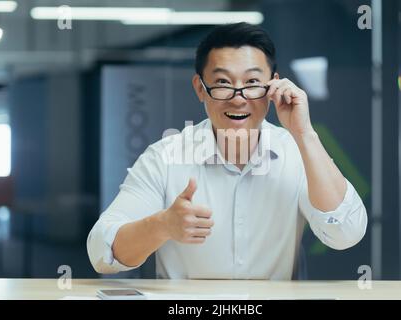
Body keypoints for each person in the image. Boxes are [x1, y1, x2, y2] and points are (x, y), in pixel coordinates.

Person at [87, 22, 367, 280]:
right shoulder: (165, 157)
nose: (238, 98)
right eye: (222, 83)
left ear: (273, 85)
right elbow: (102, 251)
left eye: (252, 83)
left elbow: (345, 233)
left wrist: (304, 134)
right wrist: (162, 225)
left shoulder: (297, 153)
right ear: (200, 88)